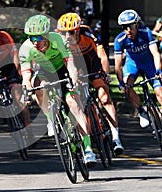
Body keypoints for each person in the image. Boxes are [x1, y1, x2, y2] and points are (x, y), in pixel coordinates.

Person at [19, 14, 97, 165]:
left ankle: (88, 149)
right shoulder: (26, 48)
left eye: (38, 38)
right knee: (38, 85)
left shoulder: (58, 40)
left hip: (62, 70)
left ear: (47, 35)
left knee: (74, 104)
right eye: (31, 37)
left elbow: (71, 65)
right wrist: (27, 90)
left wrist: (73, 82)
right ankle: (50, 119)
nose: (35, 42)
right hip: (44, 72)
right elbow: (26, 76)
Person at [57, 12, 124, 155]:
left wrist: (105, 74)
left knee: (104, 97)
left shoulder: (87, 34)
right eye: (63, 32)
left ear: (78, 30)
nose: (66, 35)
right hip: (73, 64)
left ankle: (116, 137)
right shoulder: (59, 40)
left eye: (70, 32)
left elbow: (102, 56)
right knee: (76, 99)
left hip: (90, 59)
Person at [114, 9, 162, 128]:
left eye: (131, 26)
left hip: (148, 63)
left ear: (137, 24)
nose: (128, 30)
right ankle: (141, 111)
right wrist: (121, 83)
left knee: (159, 92)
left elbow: (156, 54)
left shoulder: (146, 33)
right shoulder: (119, 40)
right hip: (132, 64)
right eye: (125, 27)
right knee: (127, 86)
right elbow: (118, 66)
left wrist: (158, 70)